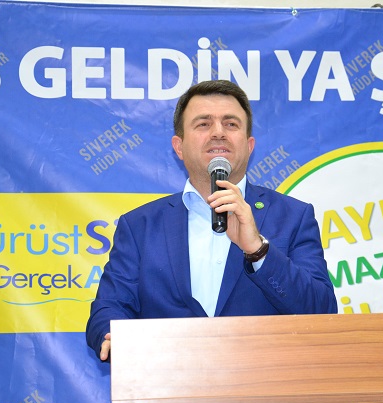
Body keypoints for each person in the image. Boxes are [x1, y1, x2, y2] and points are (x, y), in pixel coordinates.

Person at [86, 79, 337, 363]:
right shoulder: (139, 226)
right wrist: (111, 336)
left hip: (267, 384)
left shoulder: (293, 217)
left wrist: (258, 250)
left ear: (249, 145)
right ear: (179, 147)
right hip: (168, 382)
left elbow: (322, 312)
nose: (218, 132)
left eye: (231, 124)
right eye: (203, 124)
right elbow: (109, 308)